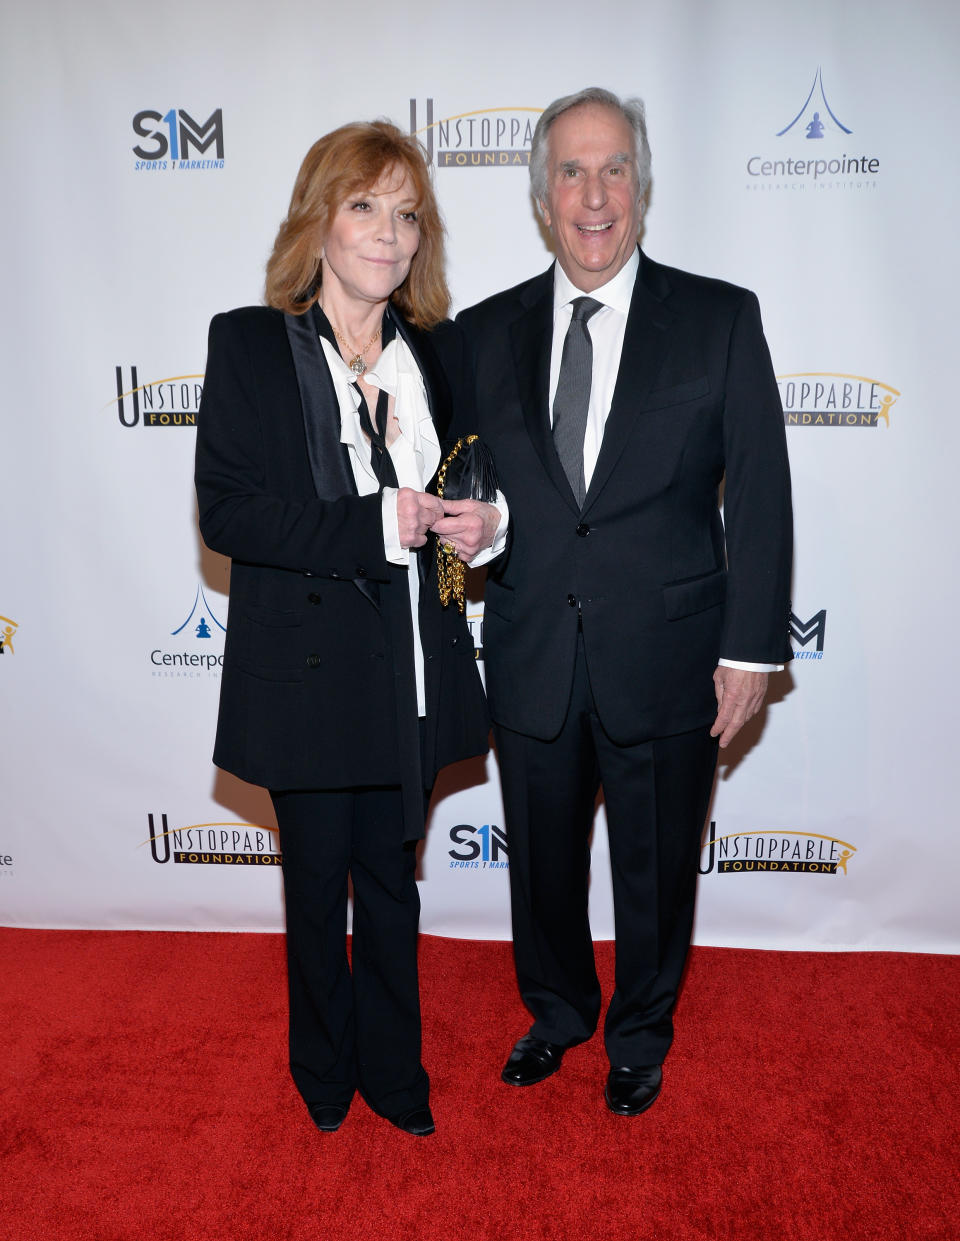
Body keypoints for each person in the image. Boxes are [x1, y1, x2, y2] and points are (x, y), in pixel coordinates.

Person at [456, 88, 793, 1115]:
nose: (593, 195)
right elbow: (473, 492)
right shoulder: (482, 333)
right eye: (571, 171)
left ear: (641, 187)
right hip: (532, 649)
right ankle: (557, 1011)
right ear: (540, 195)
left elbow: (764, 491)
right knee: (543, 865)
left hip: (671, 651)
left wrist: (751, 649)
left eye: (613, 170)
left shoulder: (720, 317)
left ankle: (641, 1030)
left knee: (655, 869)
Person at [195, 121, 502, 1138]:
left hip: (412, 668)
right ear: (319, 220)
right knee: (317, 887)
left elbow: (472, 491)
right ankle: (322, 1070)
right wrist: (375, 523)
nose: (388, 231)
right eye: (365, 205)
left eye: (406, 212)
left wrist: (486, 527)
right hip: (308, 673)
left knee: (394, 886)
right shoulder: (249, 342)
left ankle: (394, 1068)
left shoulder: (441, 354)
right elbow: (231, 513)